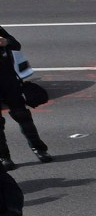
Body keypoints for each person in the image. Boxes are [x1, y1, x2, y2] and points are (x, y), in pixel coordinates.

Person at [0, 24, 51, 167]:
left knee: (23, 116)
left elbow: (16, 45)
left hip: (8, 81)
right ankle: (4, 157)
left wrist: (6, 42)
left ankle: (39, 149)